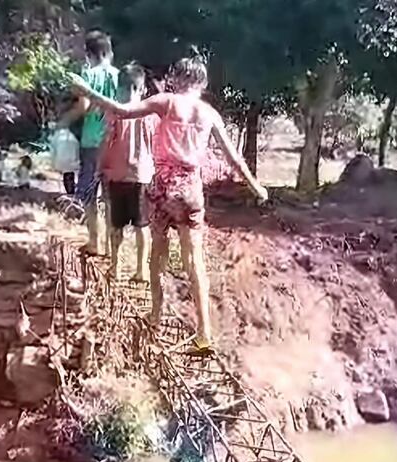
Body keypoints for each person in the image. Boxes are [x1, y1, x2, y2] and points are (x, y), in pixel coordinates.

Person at [70, 56, 268, 352]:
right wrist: (256, 187)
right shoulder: (209, 113)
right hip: (190, 190)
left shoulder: (166, 101)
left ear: (175, 79)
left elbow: (122, 111)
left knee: (157, 259)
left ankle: (155, 315)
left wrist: (88, 91)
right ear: (202, 84)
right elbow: (233, 158)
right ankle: (204, 334)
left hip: (161, 188)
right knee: (194, 262)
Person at [99, 63, 160, 282]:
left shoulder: (113, 113)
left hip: (117, 174)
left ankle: (115, 267)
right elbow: (156, 144)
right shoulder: (150, 115)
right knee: (142, 224)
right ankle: (141, 270)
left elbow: (106, 142)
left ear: (118, 87)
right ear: (142, 89)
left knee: (116, 224)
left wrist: (101, 166)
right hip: (143, 175)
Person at [75, 30, 119, 254]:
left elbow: (83, 107)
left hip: (92, 141)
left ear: (88, 53)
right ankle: (113, 249)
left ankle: (95, 242)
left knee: (89, 194)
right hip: (115, 144)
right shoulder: (120, 76)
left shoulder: (87, 75)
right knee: (111, 196)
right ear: (109, 52)